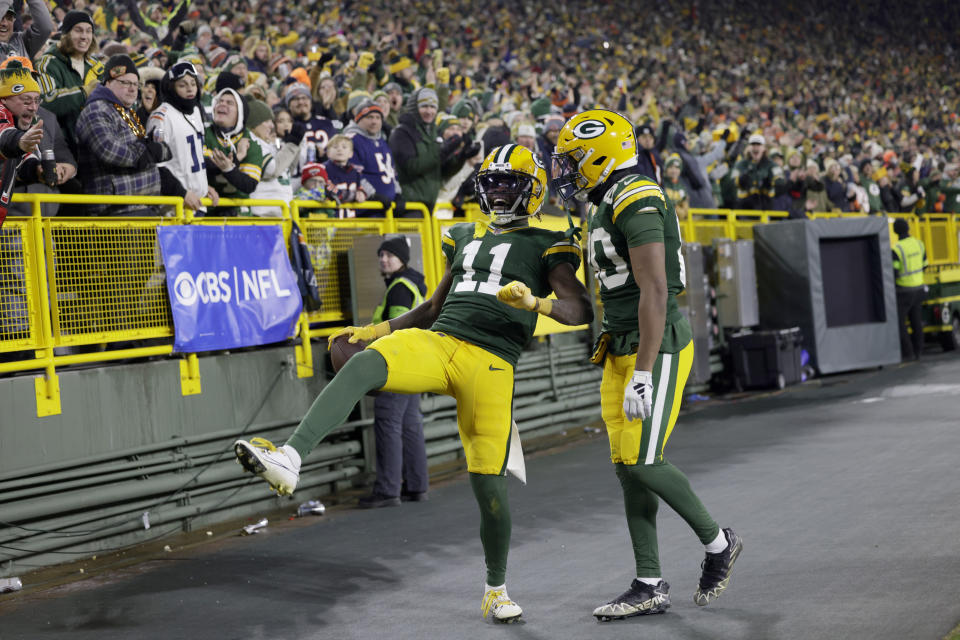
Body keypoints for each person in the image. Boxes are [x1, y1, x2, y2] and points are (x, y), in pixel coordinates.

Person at [234, 143, 593, 623]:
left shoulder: (549, 242)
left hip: (492, 362)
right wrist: (376, 330)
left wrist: (536, 304)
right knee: (365, 362)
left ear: (533, 191)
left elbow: (580, 309)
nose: (499, 192)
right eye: (493, 183)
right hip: (443, 341)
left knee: (490, 490)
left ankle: (496, 588)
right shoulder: (464, 236)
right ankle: (290, 457)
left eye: (510, 184)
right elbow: (430, 308)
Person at [552, 109, 742, 620]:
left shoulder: (635, 196)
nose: (566, 171)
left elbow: (656, 289)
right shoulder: (606, 199)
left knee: (642, 460)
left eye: (573, 160)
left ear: (600, 155)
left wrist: (642, 370)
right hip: (619, 344)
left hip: (652, 346)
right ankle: (649, 582)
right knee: (626, 467)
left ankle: (719, 543)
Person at [358, 235, 429, 508]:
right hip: (414, 365)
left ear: (402, 260)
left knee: (388, 422)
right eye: (381, 255)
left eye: (390, 255)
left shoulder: (399, 287)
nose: (383, 259)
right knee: (411, 425)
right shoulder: (411, 281)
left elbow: (397, 331)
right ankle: (416, 485)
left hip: (397, 365)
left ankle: (388, 490)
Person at [75, 55, 183, 216]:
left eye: (135, 84)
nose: (133, 89)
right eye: (125, 83)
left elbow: (142, 146)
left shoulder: (125, 111)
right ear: (108, 82)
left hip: (139, 205)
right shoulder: (97, 109)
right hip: (115, 210)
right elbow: (109, 150)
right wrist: (147, 153)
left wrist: (150, 147)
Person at [147, 61, 218, 214]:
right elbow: (155, 167)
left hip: (198, 204)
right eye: (182, 85)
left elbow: (192, 157)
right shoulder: (161, 117)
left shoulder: (196, 111)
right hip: (174, 207)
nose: (190, 88)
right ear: (171, 88)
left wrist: (203, 186)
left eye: (193, 83)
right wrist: (182, 192)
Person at [36, 10, 102, 155]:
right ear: (65, 34)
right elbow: (46, 102)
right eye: (78, 30)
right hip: (62, 150)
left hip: (95, 148)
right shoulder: (47, 63)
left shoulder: (96, 66)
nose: (84, 36)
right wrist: (83, 92)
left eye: (89, 31)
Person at [204, 87, 264, 213]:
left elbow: (249, 185)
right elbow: (204, 166)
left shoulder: (250, 143)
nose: (222, 104)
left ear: (240, 113)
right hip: (205, 208)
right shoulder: (204, 134)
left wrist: (228, 168)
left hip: (238, 212)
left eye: (229, 103)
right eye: (220, 101)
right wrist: (237, 158)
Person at [892, 218, 926, 360]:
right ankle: (919, 352)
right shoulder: (919, 244)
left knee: (900, 323)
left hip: (904, 291)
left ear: (895, 231)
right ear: (908, 228)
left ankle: (908, 352)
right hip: (919, 288)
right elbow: (925, 265)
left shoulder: (896, 249)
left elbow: (894, 271)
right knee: (916, 321)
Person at [731, 133, 782, 210]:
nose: (755, 147)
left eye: (758, 144)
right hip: (745, 207)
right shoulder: (740, 164)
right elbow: (733, 181)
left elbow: (780, 180)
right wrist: (742, 179)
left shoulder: (771, 165)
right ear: (748, 147)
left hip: (765, 206)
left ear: (764, 148)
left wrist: (772, 181)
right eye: (753, 144)